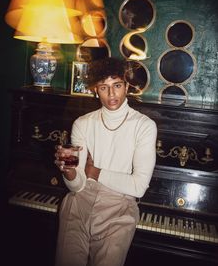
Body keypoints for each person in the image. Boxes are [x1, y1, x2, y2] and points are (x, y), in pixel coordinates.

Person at [54, 56, 157, 266]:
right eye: (104, 87)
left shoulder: (144, 126)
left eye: (117, 85)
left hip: (119, 208)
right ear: (95, 90)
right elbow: (78, 185)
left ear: (126, 86)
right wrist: (69, 172)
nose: (111, 94)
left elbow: (138, 188)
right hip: (79, 204)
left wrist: (94, 172)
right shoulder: (82, 123)